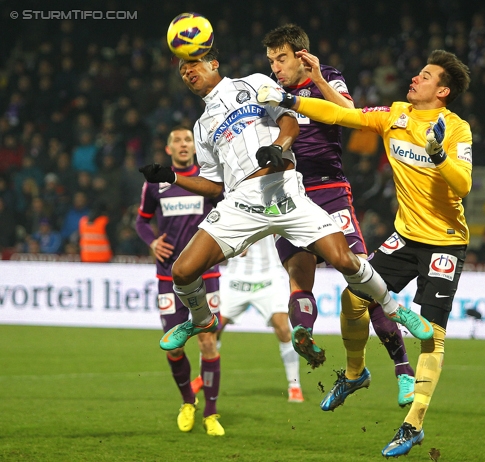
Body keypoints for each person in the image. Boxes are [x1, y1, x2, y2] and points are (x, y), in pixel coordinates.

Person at [137, 46, 433, 421]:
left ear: (214, 61)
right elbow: (213, 186)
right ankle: (200, 320)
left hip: (286, 191)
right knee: (182, 271)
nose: (188, 72)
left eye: (193, 64)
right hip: (241, 203)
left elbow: (290, 122)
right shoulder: (201, 126)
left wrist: (278, 148)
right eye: (182, 70)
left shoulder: (255, 84)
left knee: (346, 260)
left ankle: (396, 310)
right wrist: (172, 177)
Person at [258, 49, 472, 457]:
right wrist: (291, 100)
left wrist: (439, 155)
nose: (415, 77)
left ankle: (413, 425)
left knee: (432, 336)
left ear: (442, 90)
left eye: (425, 76)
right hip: (406, 238)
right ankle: (355, 373)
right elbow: (342, 115)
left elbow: (462, 185)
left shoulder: (456, 129)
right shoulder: (396, 115)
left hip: (445, 241)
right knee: (353, 297)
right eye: (418, 71)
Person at [261, 24, 417, 407]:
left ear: (301, 56)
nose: (276, 67)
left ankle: (403, 369)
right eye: (271, 61)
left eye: (281, 58)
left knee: (362, 280)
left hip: (329, 191)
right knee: (299, 276)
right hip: (286, 194)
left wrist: (317, 78)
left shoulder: (327, 77)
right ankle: (304, 334)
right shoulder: (267, 92)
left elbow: (351, 115)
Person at [135, 126, 225, 436]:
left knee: (207, 340)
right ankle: (189, 401)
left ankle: (211, 414)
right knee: (172, 347)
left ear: (195, 147)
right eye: (178, 141)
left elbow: (225, 212)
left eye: (188, 139)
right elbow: (142, 221)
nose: (184, 144)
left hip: (206, 272)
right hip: (166, 274)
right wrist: (152, 242)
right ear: (169, 149)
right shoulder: (155, 186)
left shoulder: (206, 182)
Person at [213, 235, 304, 403]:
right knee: (213, 329)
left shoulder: (275, 209)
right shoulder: (232, 209)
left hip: (269, 275)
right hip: (236, 276)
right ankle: (205, 378)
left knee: (283, 329)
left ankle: (294, 386)